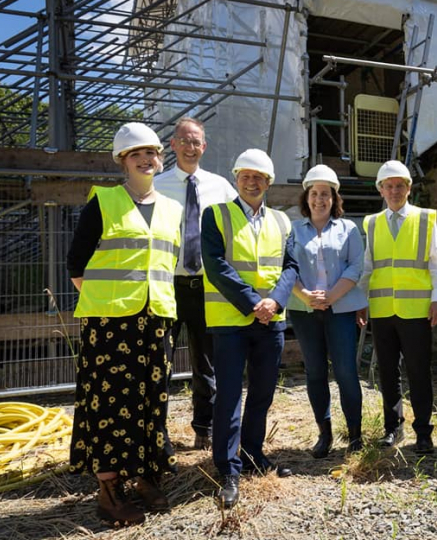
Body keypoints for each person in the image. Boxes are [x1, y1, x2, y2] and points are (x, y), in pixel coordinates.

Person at [67, 122, 183, 526]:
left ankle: (144, 474)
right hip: (110, 324)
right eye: (137, 154)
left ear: (160, 158)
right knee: (110, 404)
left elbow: (166, 265)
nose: (146, 160)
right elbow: (76, 267)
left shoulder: (173, 209)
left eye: (151, 153)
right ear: (123, 161)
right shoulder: (104, 202)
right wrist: (110, 303)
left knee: (151, 400)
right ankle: (108, 488)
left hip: (155, 321)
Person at [201, 149, 298, 509]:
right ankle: (228, 469)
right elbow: (214, 265)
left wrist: (274, 302)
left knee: (262, 391)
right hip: (231, 320)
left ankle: (254, 454)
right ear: (236, 178)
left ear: (269, 182)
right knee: (228, 395)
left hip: (270, 320)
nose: (252, 181)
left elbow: (290, 267)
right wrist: (251, 303)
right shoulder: (216, 216)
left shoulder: (282, 221)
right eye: (245, 175)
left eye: (259, 176)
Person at [154, 117, 237, 451]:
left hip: (207, 287)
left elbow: (240, 227)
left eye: (196, 142)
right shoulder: (157, 185)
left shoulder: (221, 187)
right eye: (184, 141)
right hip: (167, 285)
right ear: (173, 145)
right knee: (159, 362)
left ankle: (205, 427)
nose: (190, 147)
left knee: (207, 364)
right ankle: (157, 433)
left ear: (204, 146)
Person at [357, 160, 437, 455]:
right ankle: (393, 428)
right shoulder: (371, 222)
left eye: (400, 185)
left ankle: (424, 432)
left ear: (409, 189)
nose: (394, 191)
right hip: (382, 310)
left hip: (416, 310)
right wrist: (361, 302)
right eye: (389, 186)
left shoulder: (424, 219)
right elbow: (368, 267)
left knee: (419, 372)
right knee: (387, 373)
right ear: (380, 190)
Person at [287, 164, 366, 458]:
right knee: (315, 372)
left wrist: (331, 296)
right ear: (306, 198)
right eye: (315, 193)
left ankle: (355, 435)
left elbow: (356, 266)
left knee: (346, 371)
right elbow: (286, 267)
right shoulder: (293, 231)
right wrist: (306, 295)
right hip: (304, 310)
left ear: (335, 199)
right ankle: (325, 434)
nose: (320, 199)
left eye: (326, 194)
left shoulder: (349, 229)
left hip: (341, 308)